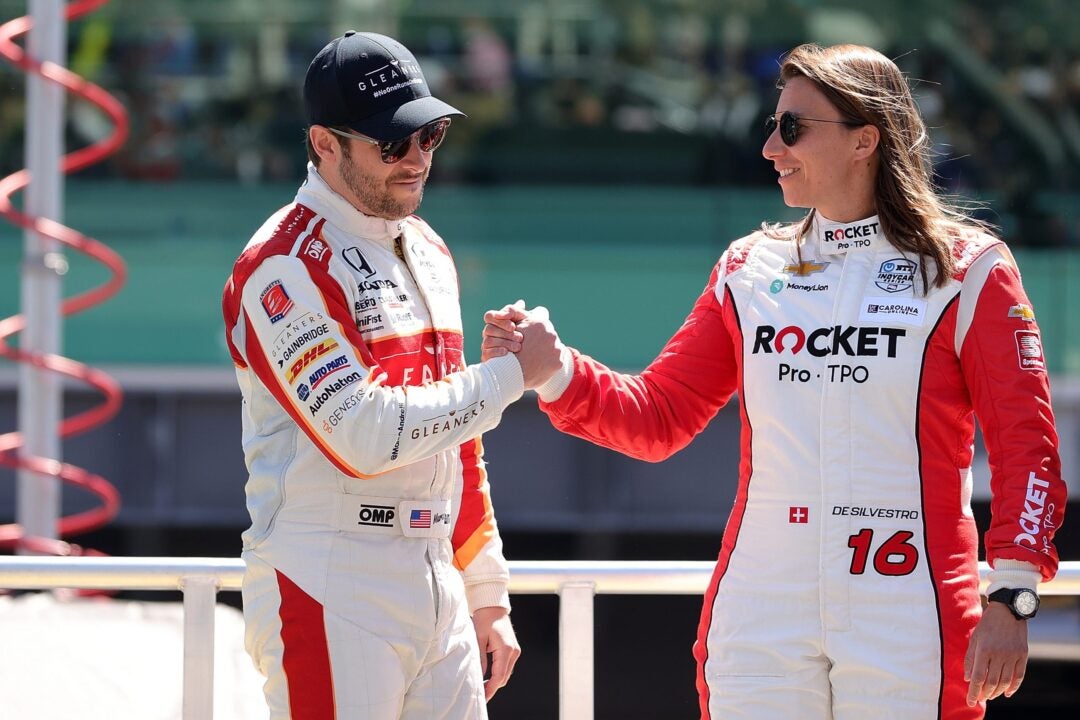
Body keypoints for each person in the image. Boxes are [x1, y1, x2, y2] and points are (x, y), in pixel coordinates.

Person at [483, 43, 1066, 719]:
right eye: (773, 125)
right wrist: (554, 370)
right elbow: (658, 416)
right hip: (763, 612)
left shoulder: (969, 270)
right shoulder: (750, 269)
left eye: (792, 128)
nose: (769, 148)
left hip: (911, 612)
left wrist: (1014, 591)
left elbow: (1028, 448)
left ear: (864, 141)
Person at [222, 31, 560, 719]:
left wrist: (486, 588)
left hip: (436, 577)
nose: (415, 160)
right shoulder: (280, 267)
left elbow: (456, 436)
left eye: (429, 135)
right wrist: (508, 378)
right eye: (391, 143)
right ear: (324, 144)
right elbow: (365, 437)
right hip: (328, 575)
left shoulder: (430, 249)